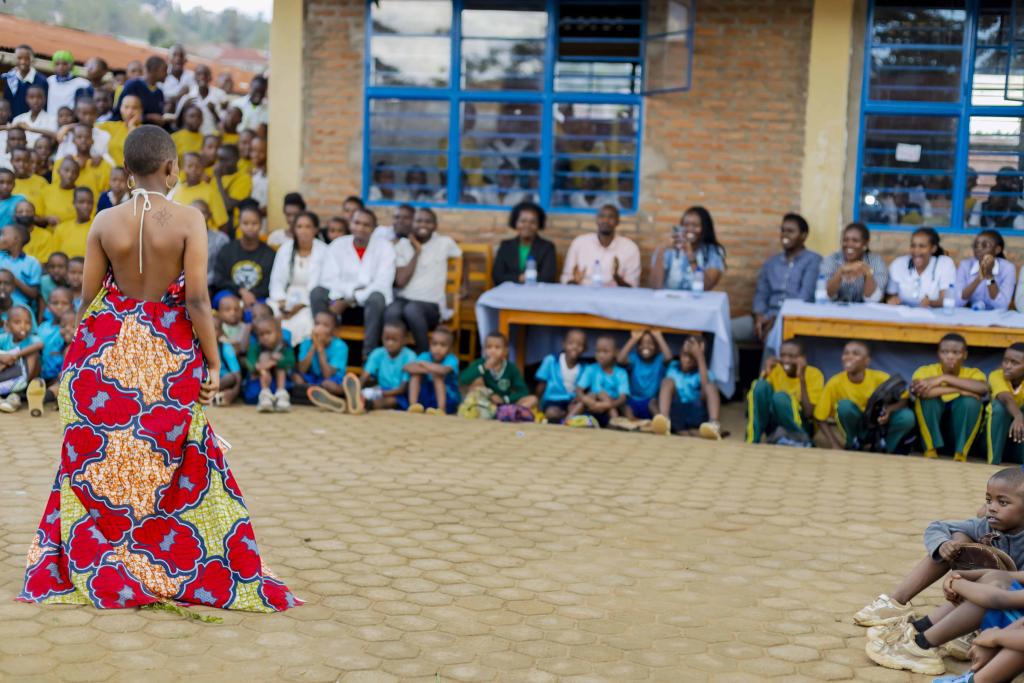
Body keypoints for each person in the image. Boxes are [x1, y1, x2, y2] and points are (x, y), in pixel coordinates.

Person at [17, 124, 299, 612]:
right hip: (168, 357)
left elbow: (88, 299)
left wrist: (83, 360)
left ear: (127, 172)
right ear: (171, 168)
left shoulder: (105, 222)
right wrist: (212, 361)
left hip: (108, 356)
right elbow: (196, 299)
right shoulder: (190, 220)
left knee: (104, 462)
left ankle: (109, 553)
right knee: (175, 459)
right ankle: (168, 557)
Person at [862, 467, 1024, 676]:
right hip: (1006, 611)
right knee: (959, 544)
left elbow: (999, 597)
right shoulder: (988, 526)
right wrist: (945, 546)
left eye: (1002, 503)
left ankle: (921, 646)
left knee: (990, 589)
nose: (991, 508)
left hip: (1013, 624)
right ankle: (918, 629)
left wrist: (961, 583)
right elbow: (938, 526)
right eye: (988, 500)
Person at [313, 207, 395, 359]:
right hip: (338, 306)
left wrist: (349, 298)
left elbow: (382, 284)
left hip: (369, 308)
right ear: (350, 224)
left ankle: (368, 358)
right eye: (357, 223)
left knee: (377, 297)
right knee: (318, 292)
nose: (361, 228)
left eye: (366, 225)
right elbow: (329, 280)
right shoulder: (338, 245)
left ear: (374, 228)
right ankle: (322, 346)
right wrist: (348, 297)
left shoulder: (385, 248)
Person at [814, 340, 915, 453]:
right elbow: (820, 418)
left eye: (855, 354)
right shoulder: (834, 383)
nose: (849, 357)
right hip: (858, 428)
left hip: (879, 427)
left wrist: (888, 410)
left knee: (907, 416)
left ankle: (886, 448)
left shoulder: (881, 378)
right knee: (844, 406)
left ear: (867, 361)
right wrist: (835, 445)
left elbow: (904, 400)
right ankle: (853, 443)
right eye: (846, 353)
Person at [736, 214, 821, 344]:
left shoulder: (813, 260)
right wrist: (759, 318)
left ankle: (768, 365)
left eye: (790, 231)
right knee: (726, 330)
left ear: (803, 236)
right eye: (783, 230)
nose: (784, 235)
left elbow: (805, 296)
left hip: (792, 320)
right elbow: (761, 294)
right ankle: (727, 365)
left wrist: (777, 319)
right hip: (766, 317)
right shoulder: (772, 263)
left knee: (772, 336)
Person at [386, 207, 462, 353]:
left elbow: (462, 257)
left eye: (428, 221)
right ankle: (391, 361)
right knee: (391, 311)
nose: (423, 225)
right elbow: (400, 281)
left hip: (431, 305)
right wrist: (417, 252)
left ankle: (424, 356)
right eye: (419, 221)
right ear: (412, 223)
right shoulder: (402, 246)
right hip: (405, 300)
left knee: (412, 310)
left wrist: (465, 286)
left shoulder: (445, 243)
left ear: (435, 225)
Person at [911, 333, 988, 462]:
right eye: (944, 352)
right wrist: (959, 389)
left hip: (956, 433)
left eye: (956, 352)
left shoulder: (974, 373)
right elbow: (922, 393)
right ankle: (930, 450)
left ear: (965, 355)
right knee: (928, 401)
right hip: (933, 431)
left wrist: (943, 378)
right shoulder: (924, 371)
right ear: (938, 354)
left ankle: (961, 453)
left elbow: (983, 389)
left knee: (970, 402)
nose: (950, 356)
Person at [746, 339, 824, 445]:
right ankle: (753, 438)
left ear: (803, 358)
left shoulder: (815, 374)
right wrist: (766, 373)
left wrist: (801, 378)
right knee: (759, 385)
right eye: (782, 355)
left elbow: (809, 413)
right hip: (777, 425)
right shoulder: (776, 370)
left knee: (780, 397)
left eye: (792, 356)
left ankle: (801, 440)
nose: (786, 360)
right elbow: (758, 399)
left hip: (803, 426)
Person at [268, 210, 327, 345]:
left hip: (309, 301)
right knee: (271, 314)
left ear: (315, 229)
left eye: (308, 227)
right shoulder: (286, 248)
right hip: (285, 297)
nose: (303, 231)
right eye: (299, 227)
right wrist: (282, 301)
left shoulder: (324, 251)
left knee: (306, 320)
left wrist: (301, 305)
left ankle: (295, 358)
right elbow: (276, 279)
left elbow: (323, 285)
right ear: (294, 229)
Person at [651, 336, 722, 439]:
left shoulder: (705, 373)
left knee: (710, 387)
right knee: (666, 383)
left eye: (692, 357)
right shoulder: (673, 366)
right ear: (680, 352)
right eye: (685, 355)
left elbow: (705, 387)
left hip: (697, 412)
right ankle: (664, 420)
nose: (687, 360)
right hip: (676, 412)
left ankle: (714, 425)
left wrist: (699, 357)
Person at [213, 202, 276, 309]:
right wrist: (240, 291)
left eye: (254, 223)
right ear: (239, 224)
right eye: (245, 223)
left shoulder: (270, 254)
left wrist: (252, 295)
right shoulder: (227, 250)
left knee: (260, 311)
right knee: (229, 305)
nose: (250, 227)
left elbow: (269, 285)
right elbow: (219, 279)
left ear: (261, 224)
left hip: (257, 298)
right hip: (229, 295)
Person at [560, 204, 641, 287]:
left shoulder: (630, 248)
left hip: (615, 296)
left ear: (617, 221)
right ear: (596, 220)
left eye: (611, 217)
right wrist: (575, 281)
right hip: (582, 293)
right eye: (602, 216)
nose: (605, 220)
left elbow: (633, 286)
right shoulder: (579, 243)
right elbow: (566, 278)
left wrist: (617, 278)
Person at [649, 206, 727, 292]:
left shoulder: (713, 251)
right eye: (686, 225)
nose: (690, 229)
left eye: (695, 225)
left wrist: (690, 254)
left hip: (698, 303)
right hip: (669, 301)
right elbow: (655, 286)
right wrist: (661, 251)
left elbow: (706, 286)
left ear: (705, 228)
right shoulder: (668, 250)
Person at [459, 331, 536, 414]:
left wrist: (505, 399)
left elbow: (523, 391)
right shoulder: (480, 364)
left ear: (505, 351)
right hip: (485, 401)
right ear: (484, 350)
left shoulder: (511, 368)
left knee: (533, 399)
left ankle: (509, 412)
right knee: (476, 381)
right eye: (489, 347)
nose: (493, 351)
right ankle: (493, 412)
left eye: (497, 347)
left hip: (505, 403)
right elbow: (463, 379)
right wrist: (484, 368)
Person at [886, 227, 957, 307]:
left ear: (933, 248)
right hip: (902, 315)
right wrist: (893, 299)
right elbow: (890, 295)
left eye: (922, 246)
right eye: (913, 246)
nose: (916, 250)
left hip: (934, 316)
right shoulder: (898, 264)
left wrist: (931, 303)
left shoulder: (944, 264)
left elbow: (946, 299)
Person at [819, 222, 889, 303]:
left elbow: (873, 299)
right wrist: (840, 271)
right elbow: (826, 295)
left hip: (864, 313)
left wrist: (867, 272)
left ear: (865, 244)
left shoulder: (876, 262)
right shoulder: (832, 259)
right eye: (845, 240)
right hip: (835, 311)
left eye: (855, 241)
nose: (849, 244)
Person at [493, 201, 557, 285]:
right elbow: (497, 276)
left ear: (539, 224)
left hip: (536, 294)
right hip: (508, 293)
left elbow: (548, 277)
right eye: (523, 221)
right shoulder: (505, 246)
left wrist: (517, 278)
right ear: (515, 223)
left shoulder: (547, 247)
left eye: (533, 222)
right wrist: (521, 278)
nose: (527, 225)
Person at [360, 320, 417, 411]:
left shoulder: (410, 356)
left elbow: (403, 389)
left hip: (398, 394)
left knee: (390, 401)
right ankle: (356, 400)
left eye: (394, 340)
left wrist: (379, 393)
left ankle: (368, 404)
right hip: (380, 389)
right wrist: (358, 388)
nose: (389, 343)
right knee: (364, 393)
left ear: (404, 340)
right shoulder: (377, 353)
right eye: (386, 339)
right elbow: (365, 376)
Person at [617, 329, 671, 421]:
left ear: (657, 347)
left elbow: (668, 357)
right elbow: (620, 359)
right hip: (633, 400)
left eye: (650, 343)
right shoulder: (635, 359)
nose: (645, 346)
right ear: (637, 347)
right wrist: (633, 339)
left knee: (653, 405)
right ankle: (633, 422)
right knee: (624, 405)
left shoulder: (659, 360)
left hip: (649, 401)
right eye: (641, 343)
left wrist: (659, 337)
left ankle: (661, 422)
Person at [535, 328, 587, 423]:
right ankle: (566, 417)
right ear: (563, 344)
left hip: (572, 401)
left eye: (580, 345)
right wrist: (539, 404)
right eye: (571, 343)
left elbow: (582, 390)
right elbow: (541, 384)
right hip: (553, 400)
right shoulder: (551, 360)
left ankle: (567, 416)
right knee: (551, 413)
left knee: (582, 407)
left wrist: (575, 401)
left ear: (585, 349)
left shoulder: (584, 368)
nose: (575, 347)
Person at [576, 335, 630, 425]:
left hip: (612, 406)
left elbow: (622, 398)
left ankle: (615, 426)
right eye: (598, 351)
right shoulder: (591, 368)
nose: (601, 355)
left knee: (603, 395)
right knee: (591, 396)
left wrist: (606, 404)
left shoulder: (621, 373)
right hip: (592, 407)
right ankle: (567, 420)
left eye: (605, 351)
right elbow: (578, 390)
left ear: (615, 353)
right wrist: (586, 399)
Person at [406, 326, 460, 415]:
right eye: (434, 344)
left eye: (443, 345)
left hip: (448, 398)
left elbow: (443, 370)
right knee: (415, 375)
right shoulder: (425, 355)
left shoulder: (452, 359)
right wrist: (427, 370)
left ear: (450, 349)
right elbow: (407, 367)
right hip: (427, 396)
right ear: (430, 345)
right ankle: (413, 406)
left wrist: (426, 365)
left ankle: (441, 410)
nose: (438, 348)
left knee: (437, 376)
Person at [169, 152, 228, 230]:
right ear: (183, 168)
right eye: (190, 166)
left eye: (198, 166)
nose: (193, 169)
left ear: (203, 169)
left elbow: (222, 223)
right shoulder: (177, 191)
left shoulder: (211, 191)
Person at [0, 304, 42, 412]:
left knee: (33, 354)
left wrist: (15, 356)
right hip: (6, 375)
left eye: (27, 323)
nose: (23, 326)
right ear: (7, 326)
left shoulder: (32, 339)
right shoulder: (5, 338)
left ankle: (15, 395)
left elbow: (39, 345)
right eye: (17, 322)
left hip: (24, 378)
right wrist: (3, 357)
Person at [988, 343, 1024, 466]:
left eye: (1014, 363)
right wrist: (1018, 416)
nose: (1007, 366)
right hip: (992, 439)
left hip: (1018, 440)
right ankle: (994, 460)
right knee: (1000, 407)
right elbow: (1005, 397)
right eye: (1005, 360)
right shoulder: (996, 375)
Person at [57, 125, 111, 199]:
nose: (83, 140)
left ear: (92, 141)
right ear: (73, 140)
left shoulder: (103, 164)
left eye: (87, 137)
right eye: (79, 137)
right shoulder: (63, 162)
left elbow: (107, 191)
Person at [114, 56, 168, 126]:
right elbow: (120, 113)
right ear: (153, 70)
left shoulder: (159, 92)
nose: (167, 74)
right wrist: (148, 117)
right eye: (164, 70)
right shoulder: (133, 85)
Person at [54, 97, 111, 162]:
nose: (88, 118)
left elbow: (107, 161)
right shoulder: (68, 135)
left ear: (96, 114)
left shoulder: (104, 135)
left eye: (92, 114)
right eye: (84, 114)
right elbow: (58, 161)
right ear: (77, 113)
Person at [0, 222, 40, 309]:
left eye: (2, 235)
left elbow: (34, 294)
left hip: (21, 308)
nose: (0, 238)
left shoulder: (32, 263)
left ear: (16, 239)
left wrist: (11, 278)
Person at [97, 94, 143, 167]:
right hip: (113, 174)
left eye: (134, 108)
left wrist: (131, 126)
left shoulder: (146, 131)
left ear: (140, 110)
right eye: (126, 107)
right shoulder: (113, 126)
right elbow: (87, 126)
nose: (129, 112)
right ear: (121, 108)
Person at [214, 144, 252, 232]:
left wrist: (218, 179)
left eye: (225, 160)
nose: (221, 164)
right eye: (219, 160)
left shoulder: (244, 178)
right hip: (215, 227)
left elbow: (229, 206)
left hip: (230, 229)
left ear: (236, 159)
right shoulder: (214, 178)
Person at [4, 45, 48, 118]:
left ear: (32, 60)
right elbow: (7, 102)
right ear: (15, 59)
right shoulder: (10, 79)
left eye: (27, 59)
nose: (23, 61)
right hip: (13, 123)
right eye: (19, 58)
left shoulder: (42, 81)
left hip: (33, 124)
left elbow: (45, 105)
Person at [53, 187, 94, 259]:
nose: (86, 206)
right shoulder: (61, 229)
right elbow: (56, 255)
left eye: (89, 202)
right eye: (81, 202)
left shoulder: (97, 228)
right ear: (74, 203)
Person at [45, 51, 90, 117]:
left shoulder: (82, 83)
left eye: (65, 64)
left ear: (71, 65)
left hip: (69, 122)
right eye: (57, 64)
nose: (61, 67)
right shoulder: (49, 81)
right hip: (49, 121)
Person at [12, 148, 46, 215]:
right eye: (17, 160)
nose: (21, 164)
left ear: (30, 162)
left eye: (25, 161)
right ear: (11, 161)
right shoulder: (6, 183)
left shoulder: (41, 182)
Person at [161, 44, 194, 109]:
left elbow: (193, 99)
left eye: (181, 56)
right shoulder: (162, 75)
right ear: (168, 58)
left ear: (185, 60)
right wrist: (179, 96)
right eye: (174, 55)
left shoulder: (191, 77)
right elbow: (160, 99)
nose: (178, 58)